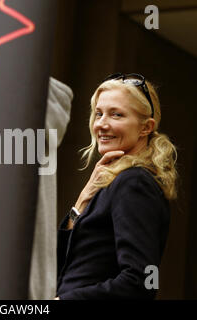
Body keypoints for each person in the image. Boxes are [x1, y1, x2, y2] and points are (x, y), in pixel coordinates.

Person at [55, 73, 177, 300]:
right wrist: (82, 201)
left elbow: (143, 282)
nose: (101, 124)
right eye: (98, 113)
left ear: (146, 127)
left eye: (116, 114)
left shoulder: (135, 182)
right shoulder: (115, 182)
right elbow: (63, 269)